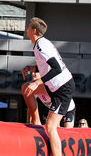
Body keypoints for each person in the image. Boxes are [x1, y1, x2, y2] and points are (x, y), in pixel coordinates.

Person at [22, 17, 74, 156]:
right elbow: (46, 67)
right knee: (25, 88)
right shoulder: (41, 43)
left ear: (34, 30)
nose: (27, 29)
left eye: (29, 27)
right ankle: (36, 121)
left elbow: (56, 68)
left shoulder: (41, 46)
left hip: (62, 87)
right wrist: (31, 68)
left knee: (51, 127)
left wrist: (37, 82)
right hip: (56, 86)